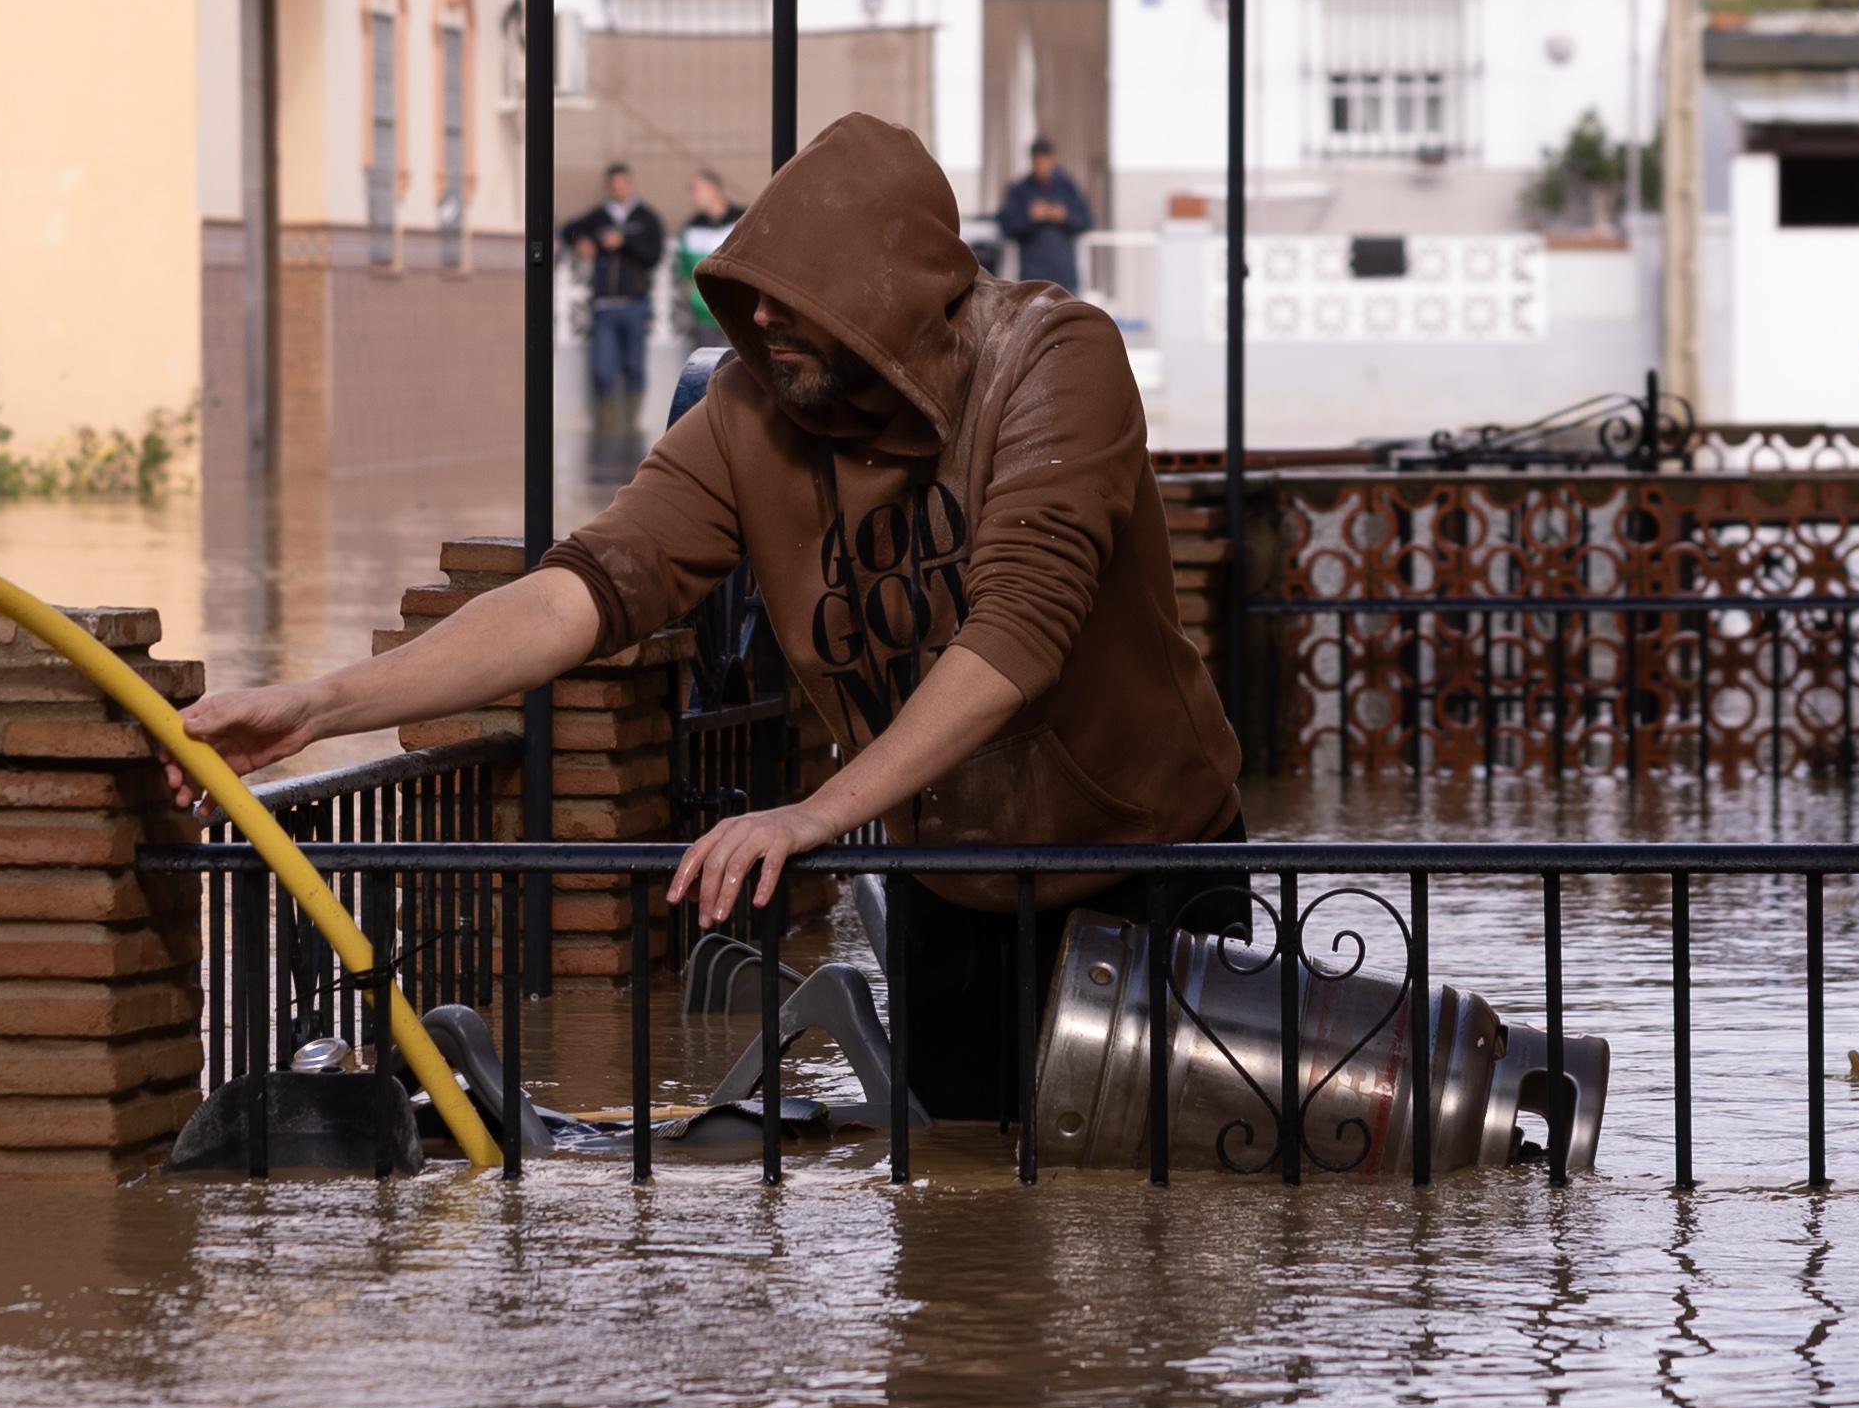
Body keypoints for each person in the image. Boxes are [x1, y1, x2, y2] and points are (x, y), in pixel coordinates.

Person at [182, 114, 1242, 1124]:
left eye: (794, 295)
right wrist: (316, 705)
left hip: (1140, 871)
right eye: (749, 297)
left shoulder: (1052, 356)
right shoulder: (747, 413)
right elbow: (580, 591)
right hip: (951, 891)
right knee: (962, 1255)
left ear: (886, 292)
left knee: (1153, 1235)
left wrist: (810, 813)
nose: (763, 319)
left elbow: (1020, 629)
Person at [569, 163, 666, 449]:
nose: (619, 189)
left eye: (623, 183)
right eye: (614, 184)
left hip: (635, 303)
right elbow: (569, 231)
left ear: (631, 184)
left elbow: (653, 255)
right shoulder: (599, 217)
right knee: (602, 369)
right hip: (603, 306)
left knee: (634, 366)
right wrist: (582, 242)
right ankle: (607, 431)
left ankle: (630, 428)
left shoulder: (646, 218)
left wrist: (624, 242)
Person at [993, 137, 1095, 294]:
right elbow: (1006, 226)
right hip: (1032, 277)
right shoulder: (1020, 190)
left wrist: (1064, 216)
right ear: (1032, 161)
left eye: (1045, 161)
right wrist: (1030, 217)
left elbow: (1086, 220)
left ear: (1052, 160)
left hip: (1064, 277)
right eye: (1037, 161)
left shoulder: (1068, 188)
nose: (1042, 166)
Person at [671, 167, 741, 340]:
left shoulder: (742, 220)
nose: (692, 196)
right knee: (707, 365)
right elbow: (683, 271)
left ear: (713, 189)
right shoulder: (691, 227)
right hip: (703, 315)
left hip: (738, 313)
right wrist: (694, 298)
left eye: (695, 189)